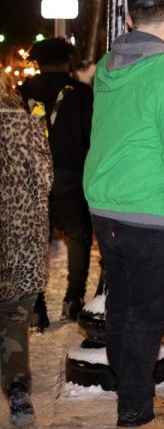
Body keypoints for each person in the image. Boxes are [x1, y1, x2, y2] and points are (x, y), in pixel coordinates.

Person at [84, 0, 164, 429]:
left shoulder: (109, 64)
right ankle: (135, 415)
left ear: (128, 18)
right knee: (146, 321)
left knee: (123, 313)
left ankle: (137, 398)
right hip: (152, 213)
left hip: (107, 210)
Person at [18, 37, 93, 325]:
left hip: (31, 177)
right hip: (69, 174)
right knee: (78, 234)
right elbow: (90, 137)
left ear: (37, 63)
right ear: (66, 61)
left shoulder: (22, 93)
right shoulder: (82, 93)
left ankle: (37, 308)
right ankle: (73, 300)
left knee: (36, 239)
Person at [1, 70, 52, 427]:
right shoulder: (28, 126)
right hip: (20, 240)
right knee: (14, 320)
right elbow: (45, 179)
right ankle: (18, 393)